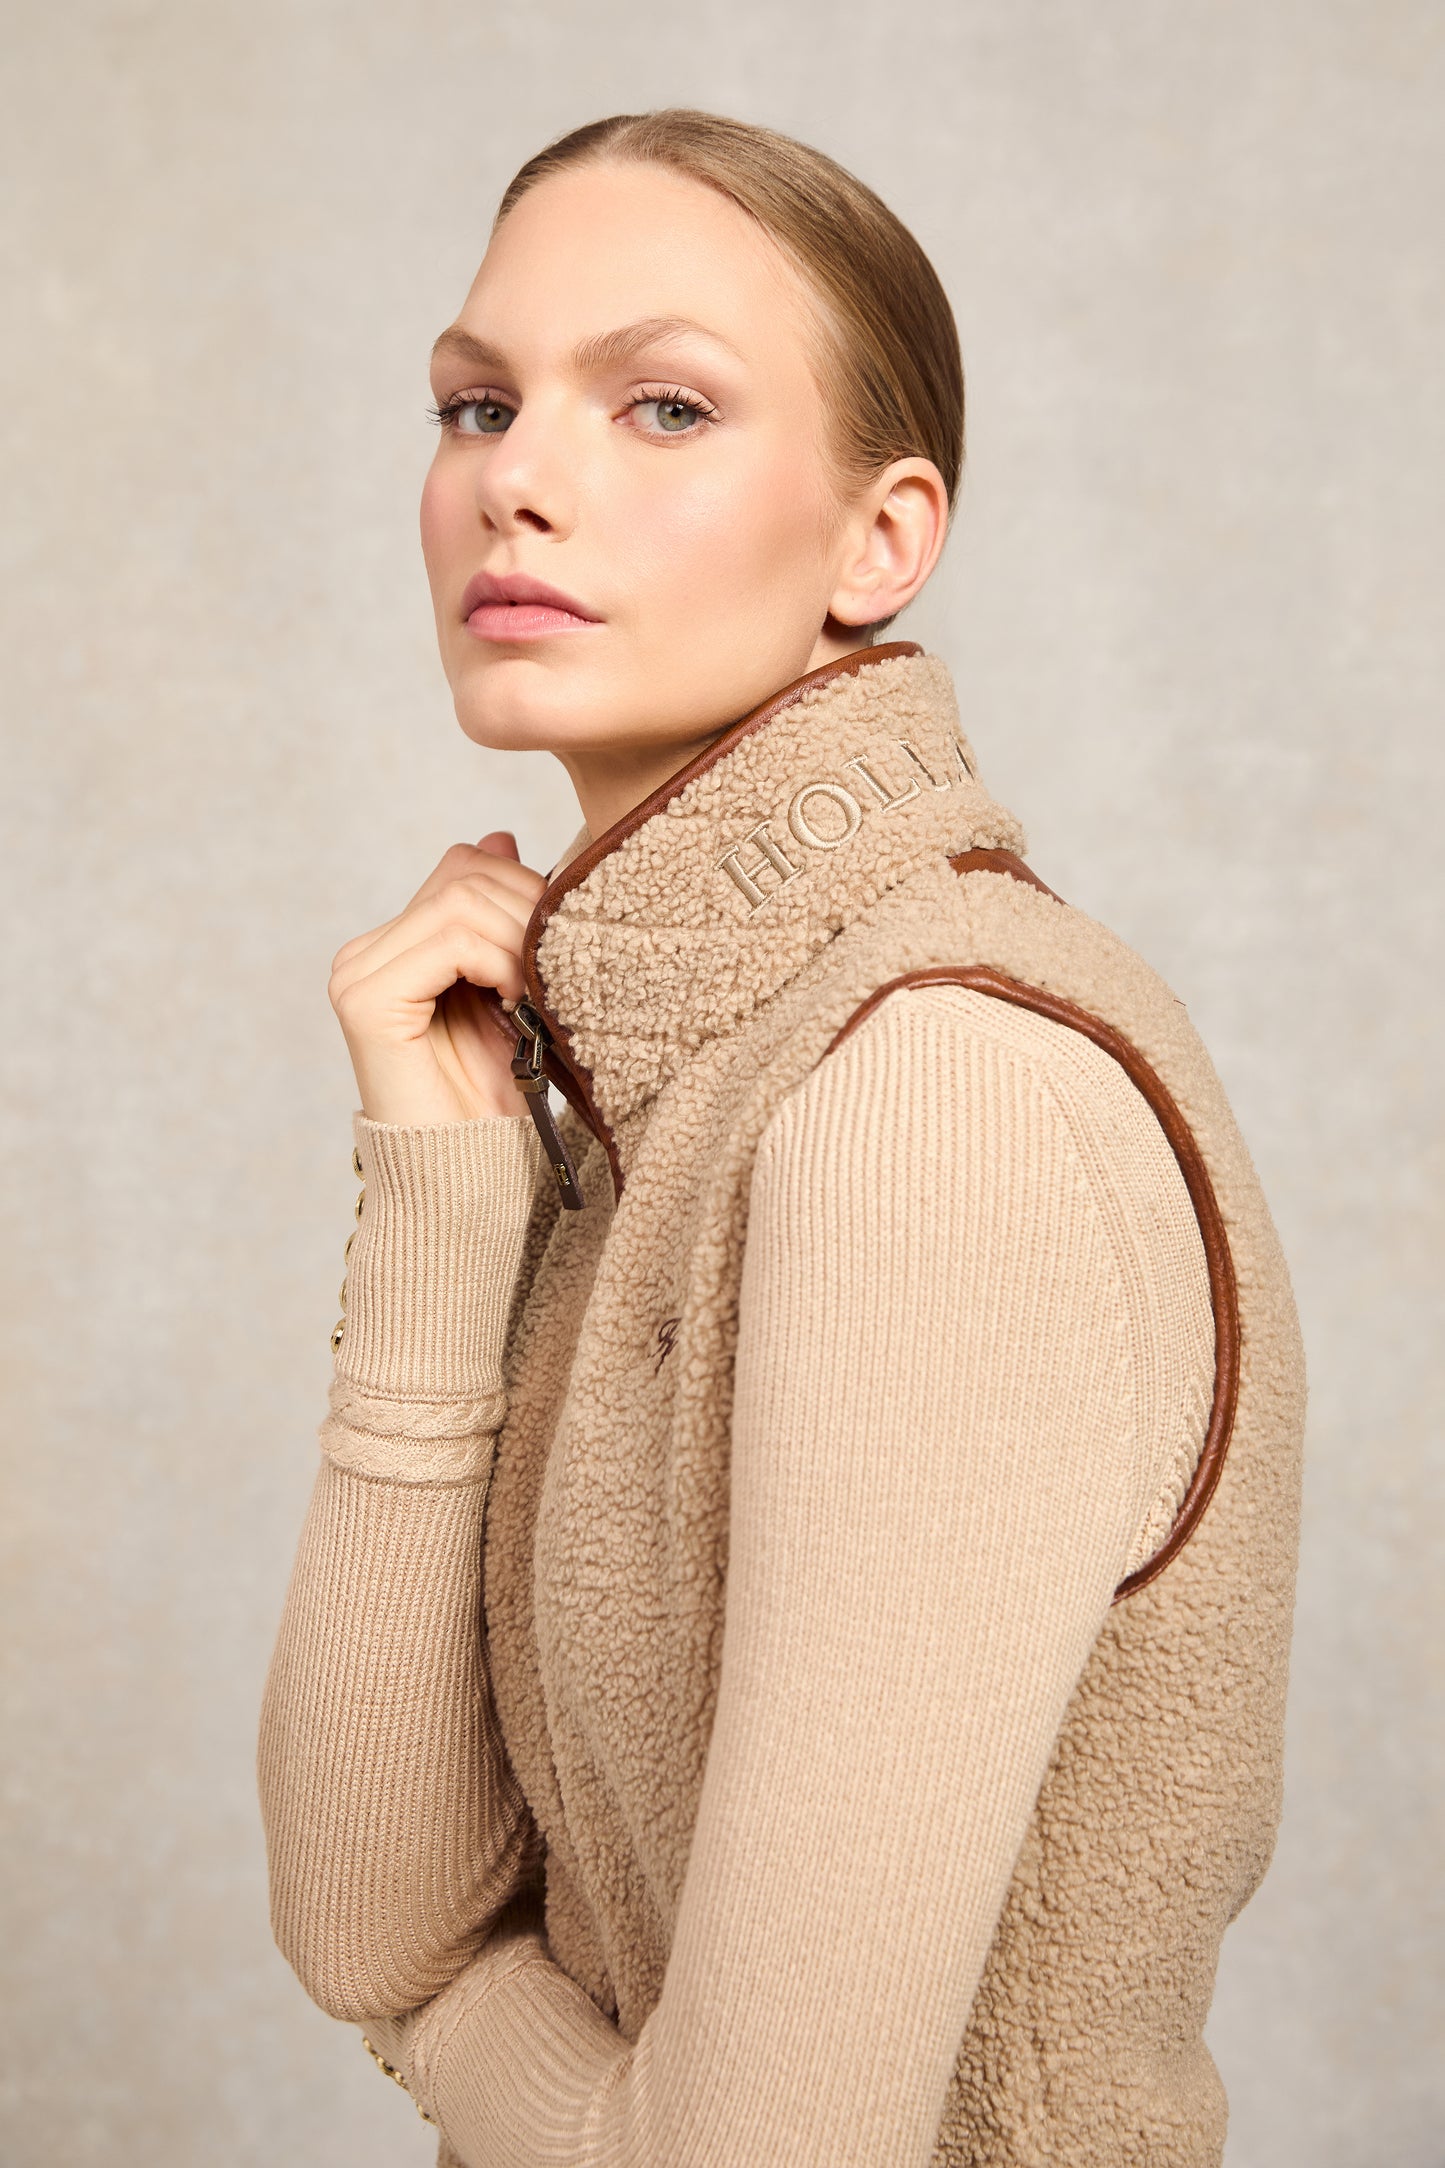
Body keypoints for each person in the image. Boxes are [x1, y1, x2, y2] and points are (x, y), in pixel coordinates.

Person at [256, 108, 1306, 2168]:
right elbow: (359, 1912)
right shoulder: (655, 1082)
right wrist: (446, 1193)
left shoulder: (936, 1096)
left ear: (879, 541)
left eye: (663, 405)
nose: (517, 478)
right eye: (477, 403)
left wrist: (451, 2012)